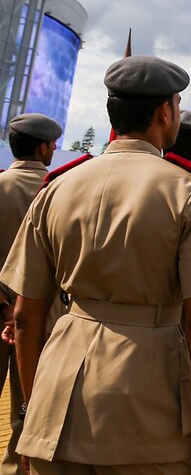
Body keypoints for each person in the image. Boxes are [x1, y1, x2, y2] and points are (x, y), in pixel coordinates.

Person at [0, 56, 191, 474]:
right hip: (149, 392)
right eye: (177, 106)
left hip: (59, 386)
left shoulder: (58, 187)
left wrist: (38, 405)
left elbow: (25, 316)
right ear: (165, 112)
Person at [0, 113, 62, 475]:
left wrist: (5, 306)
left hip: (1, 310)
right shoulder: (58, 188)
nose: (55, 148)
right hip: (44, 317)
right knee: (34, 403)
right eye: (52, 143)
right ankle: (19, 466)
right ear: (42, 147)